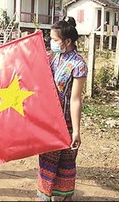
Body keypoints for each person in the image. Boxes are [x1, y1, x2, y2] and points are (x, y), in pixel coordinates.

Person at [37, 16, 87, 201]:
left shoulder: (78, 65)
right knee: (46, 163)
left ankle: (64, 198)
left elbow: (75, 99)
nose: (52, 43)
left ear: (67, 41)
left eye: (55, 40)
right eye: (51, 39)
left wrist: (76, 131)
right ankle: (44, 197)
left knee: (65, 165)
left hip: (66, 122)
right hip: (48, 121)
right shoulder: (52, 58)